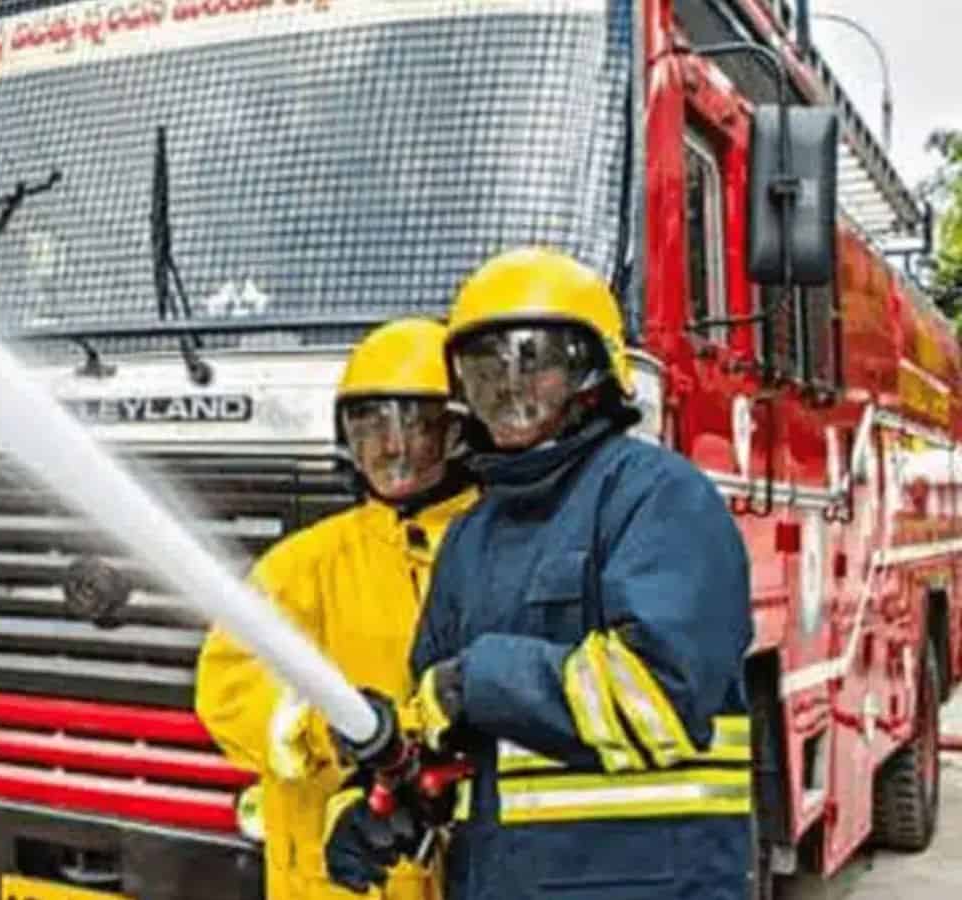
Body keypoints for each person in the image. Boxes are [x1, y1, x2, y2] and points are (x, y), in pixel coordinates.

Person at [323, 247, 755, 899]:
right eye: (485, 370)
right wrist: (391, 799)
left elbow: (660, 699)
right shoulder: (473, 534)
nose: (509, 390)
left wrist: (477, 680)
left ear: (593, 372)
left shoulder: (659, 498)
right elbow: (448, 726)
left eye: (534, 363)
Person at [195, 317, 478, 900]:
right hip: (333, 883)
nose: (390, 447)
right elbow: (227, 688)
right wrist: (321, 726)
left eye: (414, 425)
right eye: (368, 425)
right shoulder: (304, 564)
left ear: (458, 433)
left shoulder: (503, 549)